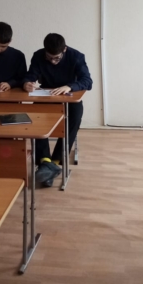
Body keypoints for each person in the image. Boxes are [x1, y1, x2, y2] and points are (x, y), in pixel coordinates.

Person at [24, 33, 92, 187]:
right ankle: (45, 161)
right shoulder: (38, 55)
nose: (53, 61)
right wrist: (27, 83)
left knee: (75, 117)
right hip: (46, 96)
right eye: (49, 58)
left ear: (64, 49)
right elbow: (30, 75)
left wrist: (70, 86)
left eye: (57, 58)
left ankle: (55, 162)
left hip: (69, 97)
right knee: (35, 117)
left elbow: (87, 81)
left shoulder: (76, 56)